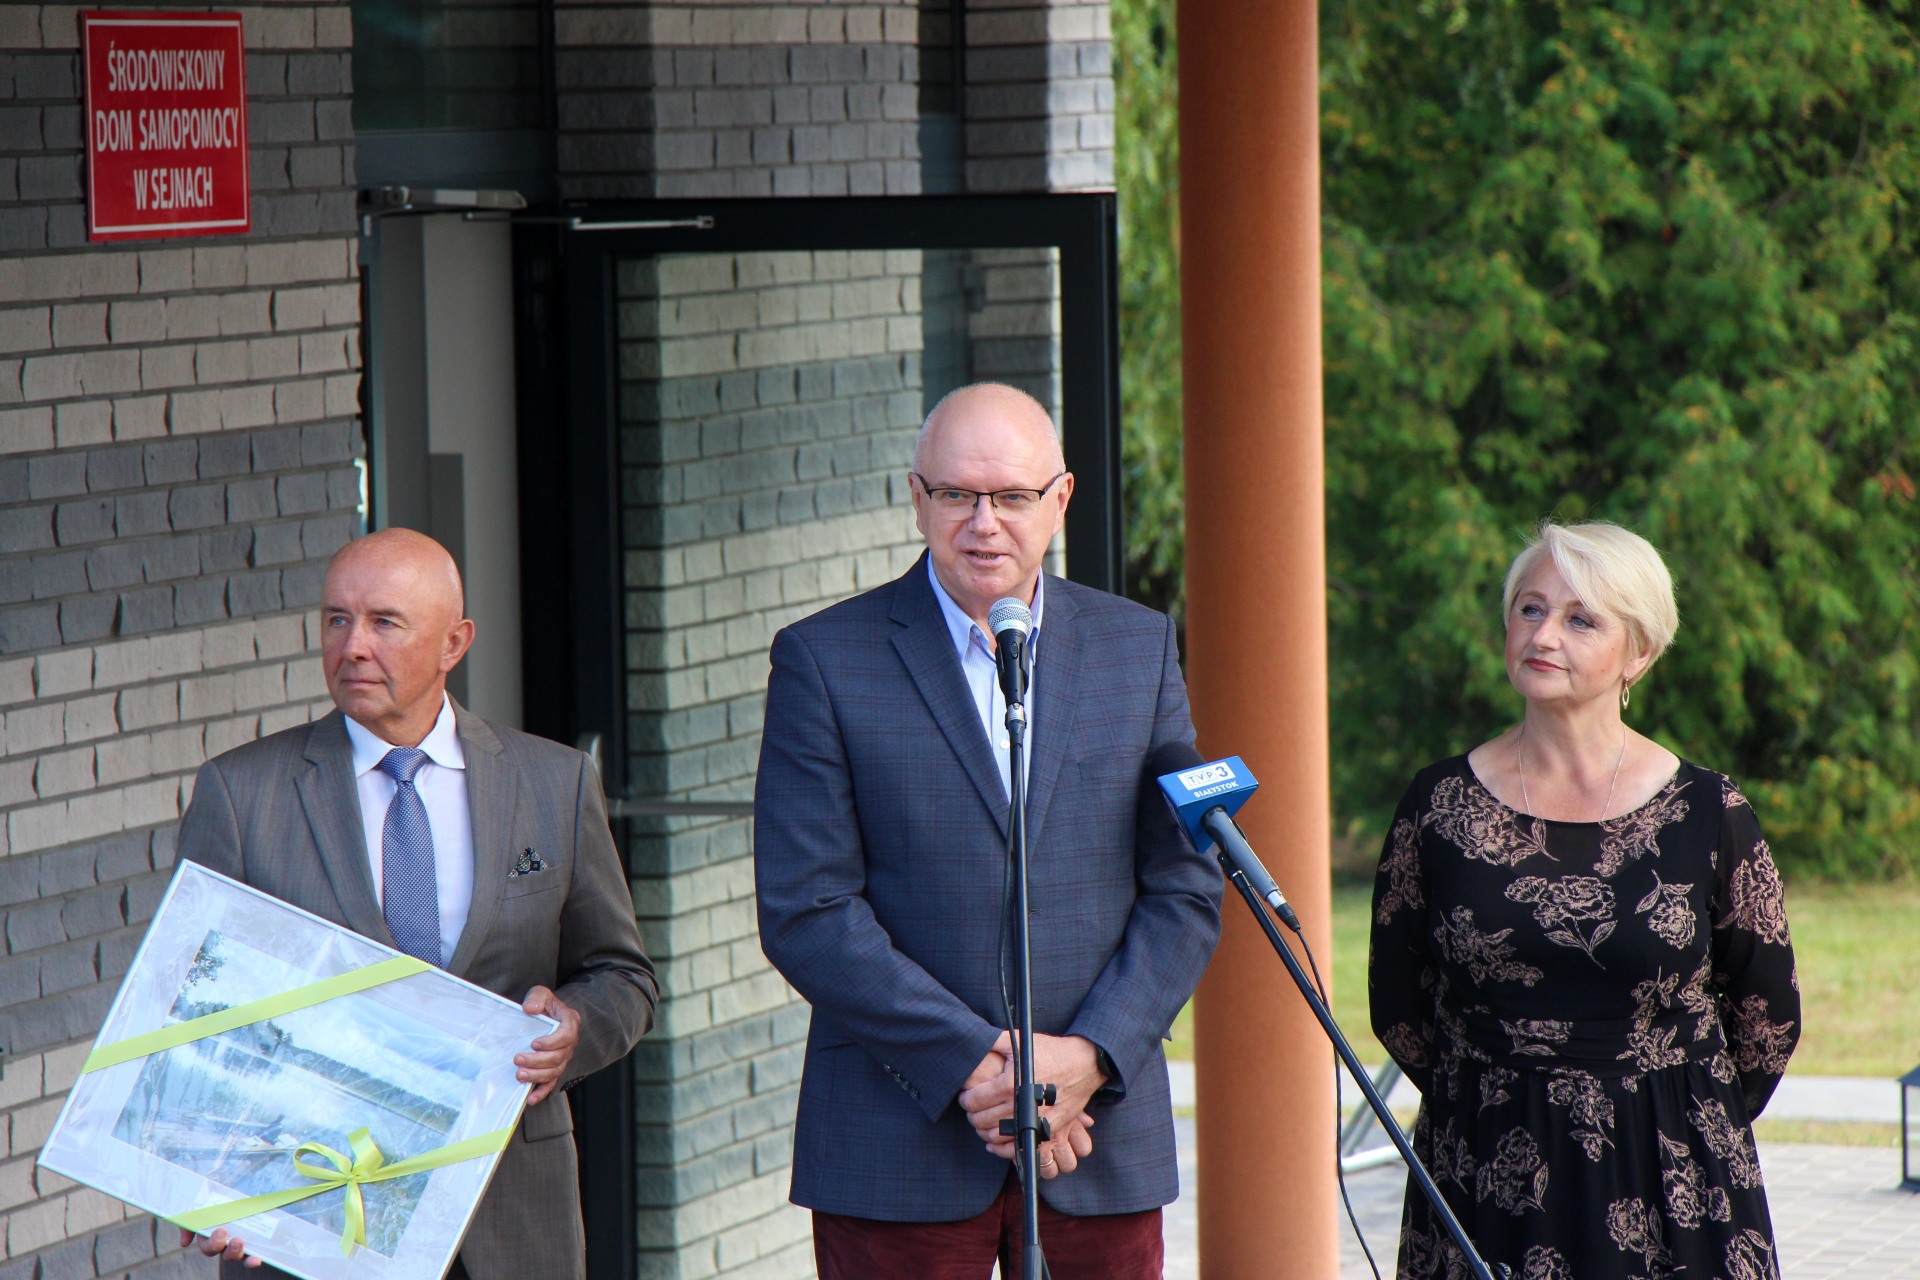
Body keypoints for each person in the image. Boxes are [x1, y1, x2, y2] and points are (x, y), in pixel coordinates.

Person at [753, 382, 1222, 1278]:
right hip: (899, 1141)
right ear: (915, 496)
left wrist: (1089, 1058)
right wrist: (982, 1069)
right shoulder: (824, 658)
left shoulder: (1137, 647)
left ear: (1061, 498)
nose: (983, 523)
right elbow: (808, 910)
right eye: (956, 495)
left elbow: (1185, 885)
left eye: (1011, 496)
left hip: (1097, 1135)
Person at [173, 528, 657, 1280]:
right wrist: (206, 1184)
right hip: (307, 1209)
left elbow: (623, 976)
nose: (353, 646)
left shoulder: (552, 783)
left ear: (453, 643)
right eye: (337, 619)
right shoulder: (242, 793)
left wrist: (574, 1030)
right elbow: (188, 1011)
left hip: (510, 1213)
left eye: (385, 622)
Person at [1370, 520, 1799, 1280]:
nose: (1544, 634)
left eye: (1580, 620)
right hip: (1485, 1166)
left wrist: (1675, 1108)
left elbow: (1766, 1018)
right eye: (1530, 609)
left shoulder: (1708, 810)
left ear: (1639, 653)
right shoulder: (1436, 805)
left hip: (1672, 1173)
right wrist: (1489, 1096)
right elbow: (1400, 1004)